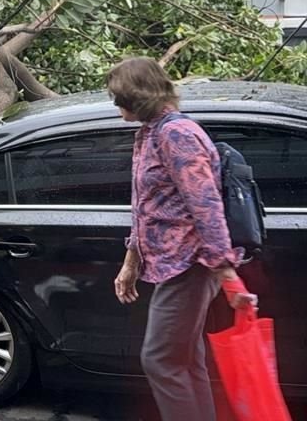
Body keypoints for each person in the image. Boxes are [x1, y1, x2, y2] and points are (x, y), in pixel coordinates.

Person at [108, 57, 258, 421]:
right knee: (185, 360)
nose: (116, 105)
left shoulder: (178, 135)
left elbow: (206, 206)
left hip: (190, 264)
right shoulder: (150, 134)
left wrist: (227, 275)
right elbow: (145, 206)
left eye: (119, 98)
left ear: (137, 96)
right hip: (173, 263)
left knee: (160, 359)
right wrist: (131, 261)